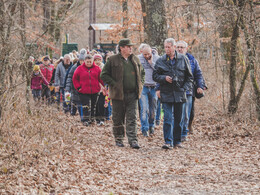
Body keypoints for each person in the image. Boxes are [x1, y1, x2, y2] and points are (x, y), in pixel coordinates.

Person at [101, 38, 144, 149]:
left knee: (132, 118)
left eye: (131, 46)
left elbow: (142, 73)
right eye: (128, 46)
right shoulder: (112, 60)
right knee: (117, 117)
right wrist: (114, 84)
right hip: (117, 94)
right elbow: (104, 75)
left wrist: (140, 84)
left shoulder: (135, 59)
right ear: (121, 48)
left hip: (132, 94)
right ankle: (119, 139)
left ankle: (133, 140)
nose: (131, 48)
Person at [153, 38, 193, 149]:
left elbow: (190, 77)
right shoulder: (161, 60)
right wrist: (164, 78)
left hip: (180, 94)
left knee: (179, 119)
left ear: (174, 47)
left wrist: (184, 88)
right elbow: (155, 76)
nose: (167, 49)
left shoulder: (183, 59)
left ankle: (177, 141)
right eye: (165, 47)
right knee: (167, 118)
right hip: (166, 93)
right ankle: (168, 142)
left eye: (169, 47)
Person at [176, 41, 206, 140]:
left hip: (188, 91)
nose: (180, 49)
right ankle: (176, 133)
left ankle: (184, 134)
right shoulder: (172, 59)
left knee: (186, 114)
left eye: (182, 47)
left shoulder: (192, 60)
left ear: (186, 49)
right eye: (178, 47)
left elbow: (198, 74)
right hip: (175, 91)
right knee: (176, 114)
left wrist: (200, 86)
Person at [72, 54, 104, 126]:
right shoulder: (79, 69)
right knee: (86, 106)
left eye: (90, 62)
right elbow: (75, 79)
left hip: (95, 90)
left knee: (93, 106)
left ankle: (92, 119)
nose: (89, 63)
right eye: (87, 62)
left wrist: (104, 86)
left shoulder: (97, 69)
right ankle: (86, 120)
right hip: (83, 91)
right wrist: (78, 87)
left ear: (93, 61)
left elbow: (101, 78)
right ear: (84, 61)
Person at [138, 44, 159, 137]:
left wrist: (151, 63)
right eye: (144, 54)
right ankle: (144, 129)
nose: (146, 56)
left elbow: (159, 71)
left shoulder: (157, 58)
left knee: (153, 110)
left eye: (148, 54)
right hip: (143, 87)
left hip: (154, 87)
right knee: (144, 109)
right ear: (141, 52)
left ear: (151, 51)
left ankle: (152, 126)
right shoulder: (138, 59)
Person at [65, 49, 86, 121]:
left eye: (83, 60)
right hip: (76, 89)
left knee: (85, 104)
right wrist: (68, 88)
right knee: (79, 104)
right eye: (81, 60)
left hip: (86, 89)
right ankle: (82, 118)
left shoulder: (88, 67)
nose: (82, 62)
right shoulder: (74, 67)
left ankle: (85, 118)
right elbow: (69, 78)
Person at [93, 54, 106, 126]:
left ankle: (102, 118)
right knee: (96, 104)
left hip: (102, 88)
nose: (97, 62)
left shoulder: (103, 67)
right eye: (96, 60)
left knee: (101, 104)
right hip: (94, 88)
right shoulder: (92, 68)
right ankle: (97, 118)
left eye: (99, 60)